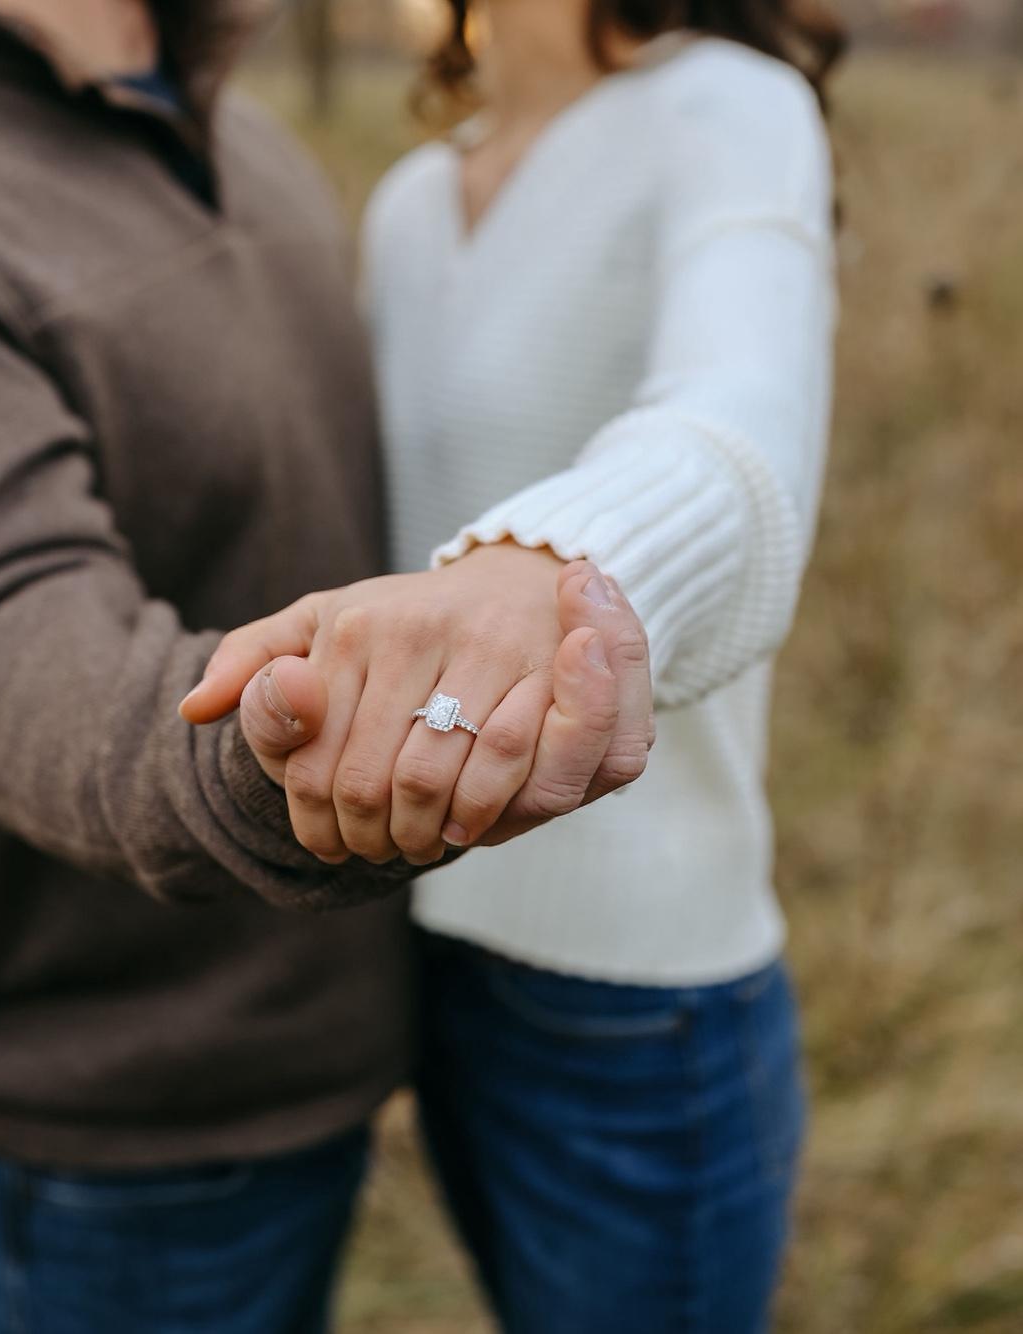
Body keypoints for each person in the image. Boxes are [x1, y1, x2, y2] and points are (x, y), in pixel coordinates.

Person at [0, 1, 655, 1331]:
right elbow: (17, 640)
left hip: (329, 1047)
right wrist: (308, 743)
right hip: (90, 1141)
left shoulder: (241, 132)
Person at [194, 0, 844, 1329]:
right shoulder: (411, 203)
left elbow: (738, 418)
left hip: (640, 1007)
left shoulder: (726, 108)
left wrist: (551, 566)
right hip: (424, 954)